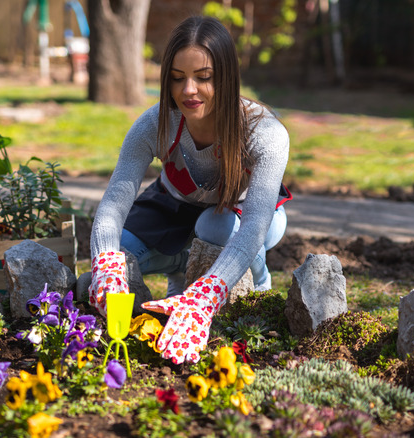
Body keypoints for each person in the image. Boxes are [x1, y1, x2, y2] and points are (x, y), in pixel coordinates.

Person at [87, 16, 291, 365]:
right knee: (116, 254)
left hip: (240, 217)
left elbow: (256, 225)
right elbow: (112, 208)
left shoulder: (265, 132)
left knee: (214, 228)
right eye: (178, 78)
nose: (188, 91)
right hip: (174, 205)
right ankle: (181, 274)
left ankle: (256, 284)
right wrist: (106, 263)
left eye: (204, 77)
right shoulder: (154, 123)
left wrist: (207, 296)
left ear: (226, 78)